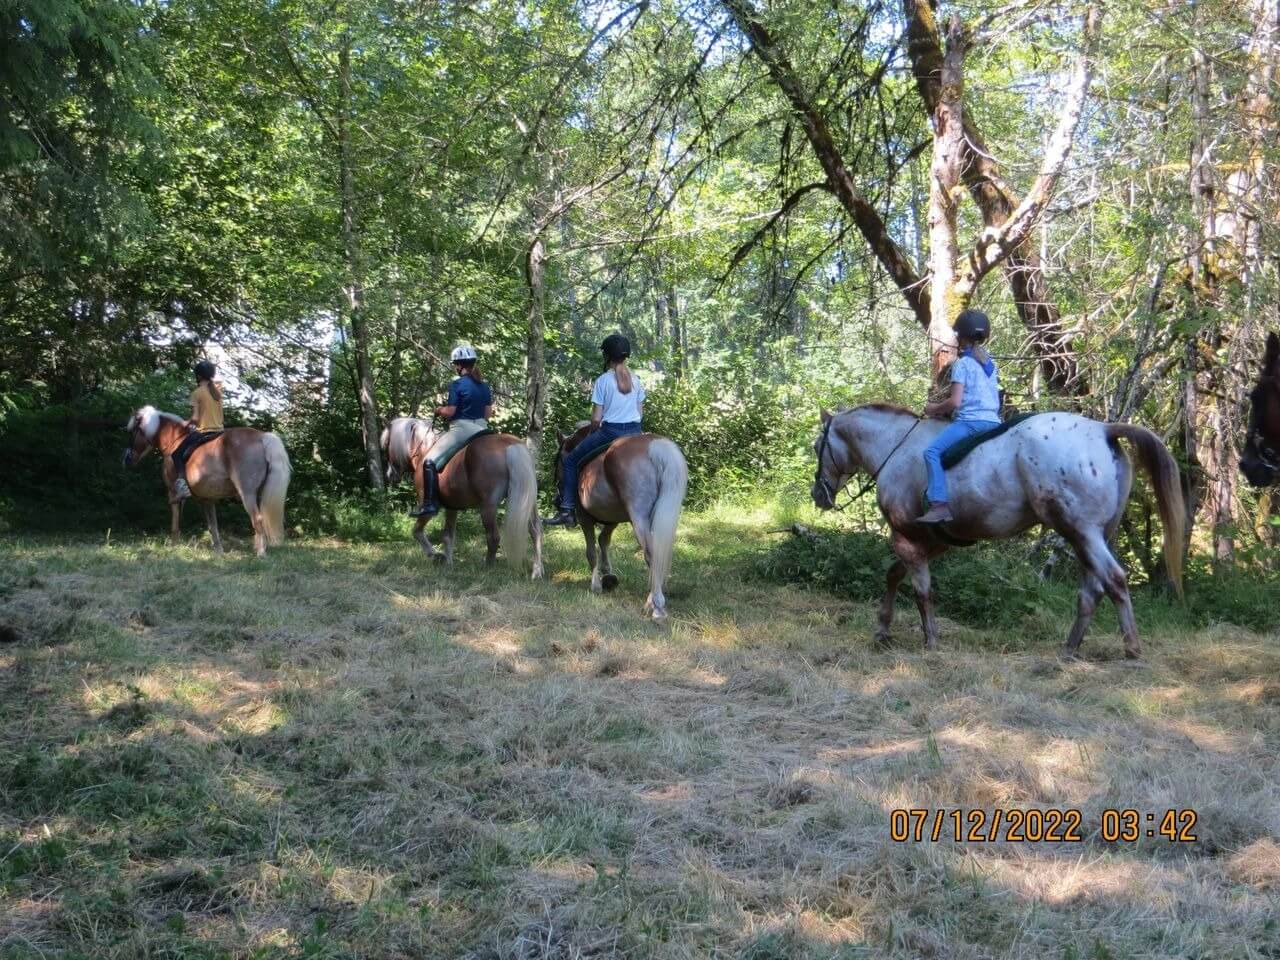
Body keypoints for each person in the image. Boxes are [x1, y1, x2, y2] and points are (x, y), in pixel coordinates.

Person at [545, 334, 645, 527]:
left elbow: (596, 419)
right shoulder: (637, 380)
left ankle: (567, 509)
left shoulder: (603, 381)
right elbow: (639, 413)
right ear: (626, 356)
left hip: (611, 432)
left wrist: (591, 431)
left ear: (607, 356)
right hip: (635, 432)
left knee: (572, 460)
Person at [917, 309, 1002, 525]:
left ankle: (939, 506)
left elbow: (955, 402)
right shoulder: (990, 365)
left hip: (971, 423)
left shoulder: (962, 364)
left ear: (960, 336)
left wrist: (932, 408)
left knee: (932, 452)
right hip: (995, 422)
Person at [409, 344, 494, 518]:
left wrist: (439, 410)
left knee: (429, 462)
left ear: (460, 365)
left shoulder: (457, 385)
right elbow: (487, 414)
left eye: (456, 364)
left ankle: (430, 504)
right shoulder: (484, 386)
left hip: (462, 429)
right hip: (483, 429)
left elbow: (451, 412)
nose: (455, 367)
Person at [171, 359, 225, 501]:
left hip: (204, 432)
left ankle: (183, 488)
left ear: (199, 376)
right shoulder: (217, 393)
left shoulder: (197, 393)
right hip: (220, 431)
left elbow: (195, 419)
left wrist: (185, 423)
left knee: (176, 454)